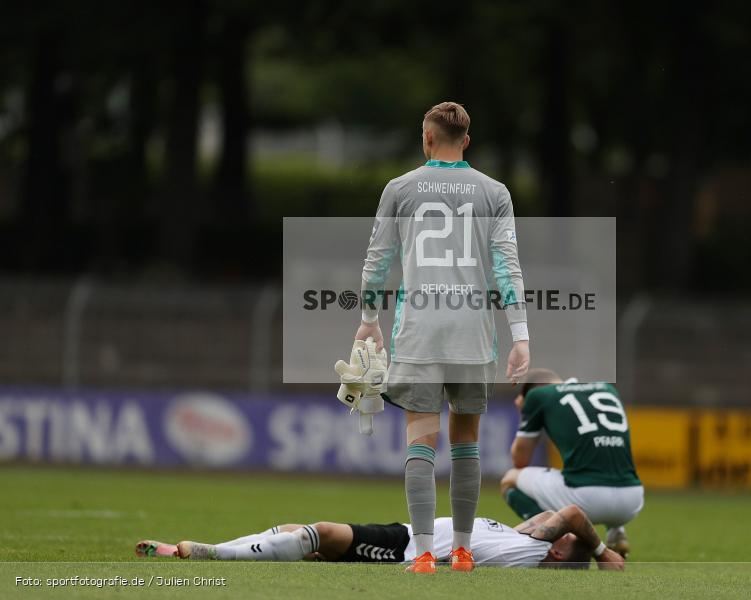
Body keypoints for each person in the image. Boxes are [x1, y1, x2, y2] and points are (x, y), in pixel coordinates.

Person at [352, 101, 529, 573]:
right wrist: (521, 335)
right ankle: (465, 551)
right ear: (466, 140)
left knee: (421, 441)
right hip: (473, 334)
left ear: (427, 137)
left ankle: (426, 552)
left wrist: (369, 318)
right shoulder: (495, 192)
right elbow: (507, 265)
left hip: (420, 332)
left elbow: (377, 259)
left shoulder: (400, 188)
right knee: (467, 440)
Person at [135, 504, 623, 571]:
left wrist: (601, 554)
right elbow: (559, 515)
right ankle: (198, 548)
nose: (545, 520)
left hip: (411, 549)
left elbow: (576, 514)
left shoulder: (537, 555)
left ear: (559, 549)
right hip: (409, 534)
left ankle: (217, 556)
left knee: (321, 534)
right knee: (295, 530)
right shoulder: (525, 538)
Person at [500, 369, 643, 558]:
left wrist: (527, 412)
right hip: (632, 500)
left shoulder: (539, 396)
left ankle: (563, 535)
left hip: (586, 498)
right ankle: (616, 532)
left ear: (532, 390)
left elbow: (520, 460)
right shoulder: (607, 389)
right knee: (600, 463)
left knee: (509, 479)